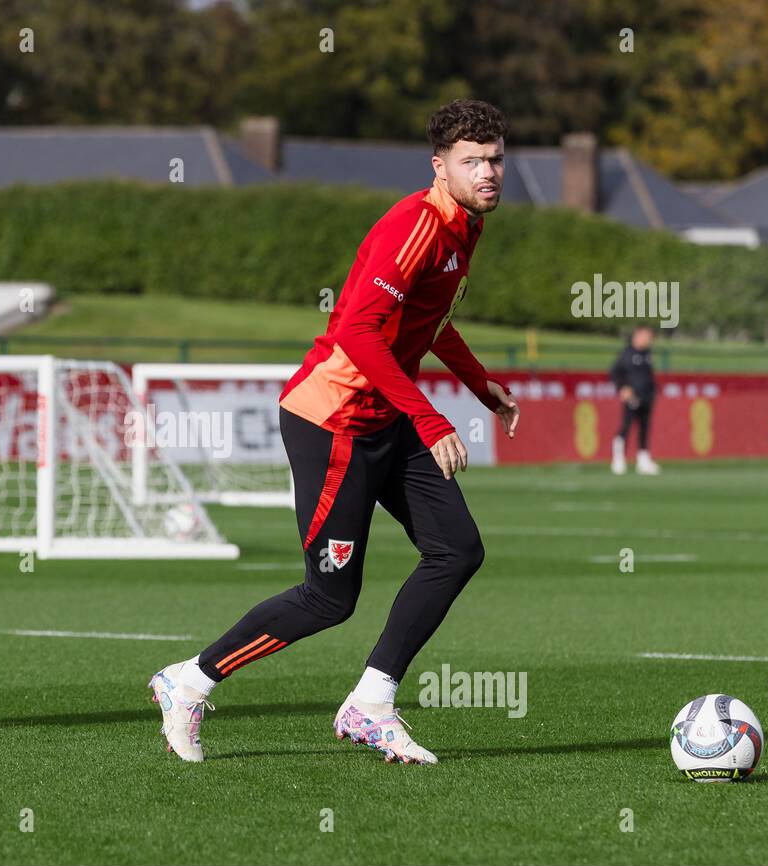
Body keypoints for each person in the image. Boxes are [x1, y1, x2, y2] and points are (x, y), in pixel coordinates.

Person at [149, 100, 519, 764]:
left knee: (457, 549)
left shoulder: (465, 226)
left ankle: (371, 703)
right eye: (474, 161)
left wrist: (477, 382)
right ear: (441, 167)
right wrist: (431, 417)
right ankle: (189, 681)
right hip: (335, 421)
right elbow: (357, 332)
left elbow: (428, 321)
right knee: (328, 598)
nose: (489, 172)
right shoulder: (416, 224)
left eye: (495, 159)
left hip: (385, 416)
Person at [610, 323, 660, 475]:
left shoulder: (647, 354)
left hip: (647, 397)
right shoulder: (627, 353)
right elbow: (615, 372)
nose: (648, 340)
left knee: (644, 428)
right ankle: (618, 459)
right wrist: (623, 388)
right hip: (632, 397)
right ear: (637, 335)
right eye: (646, 336)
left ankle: (643, 460)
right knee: (626, 426)